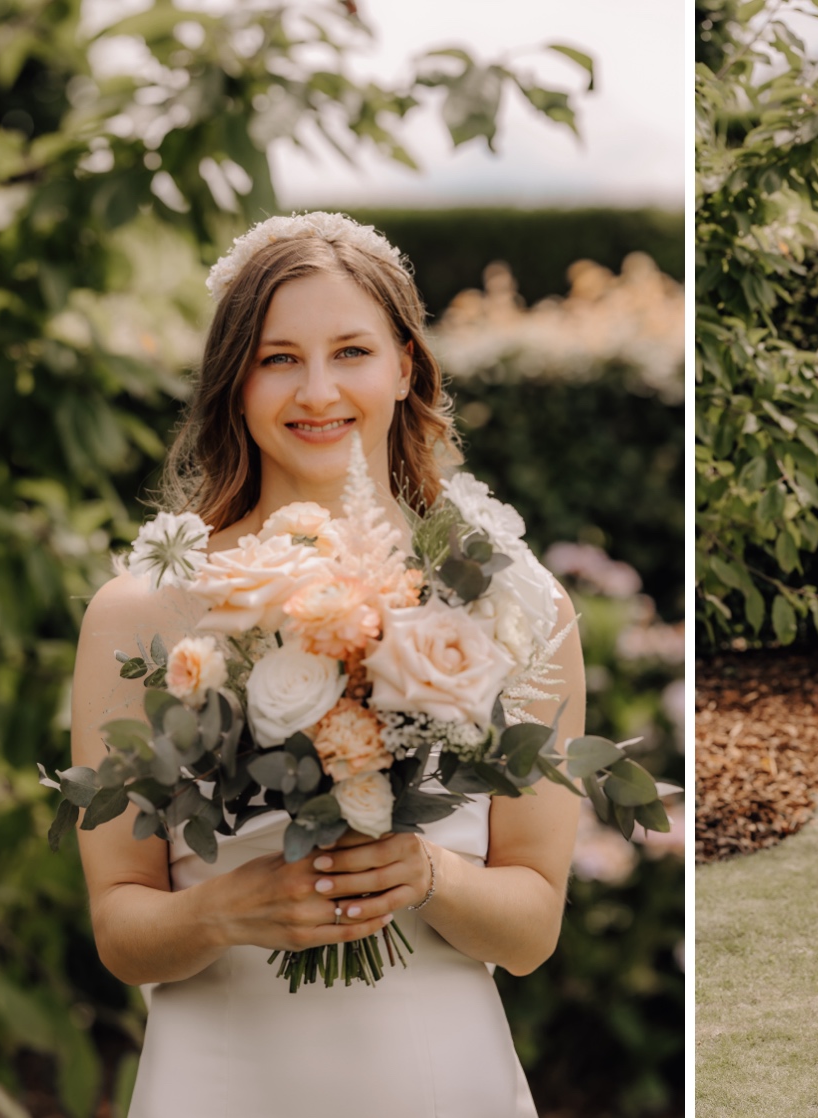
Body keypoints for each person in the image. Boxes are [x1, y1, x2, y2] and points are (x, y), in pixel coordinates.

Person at [70, 213, 584, 1115]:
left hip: (437, 1078)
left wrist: (428, 873)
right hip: (219, 1080)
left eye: (351, 351)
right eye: (277, 359)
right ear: (234, 382)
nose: (317, 391)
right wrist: (222, 912)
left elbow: (534, 925)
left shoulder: (516, 606)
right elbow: (120, 925)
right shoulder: (143, 616)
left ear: (405, 367)